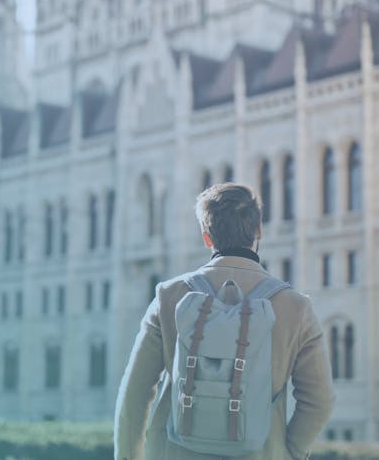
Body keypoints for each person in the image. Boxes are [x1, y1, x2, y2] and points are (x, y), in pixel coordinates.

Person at [114, 183, 334, 460]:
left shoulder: (170, 296)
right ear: (258, 231)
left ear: (207, 238)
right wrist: (289, 451)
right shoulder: (295, 307)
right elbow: (319, 401)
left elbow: (135, 394)